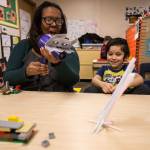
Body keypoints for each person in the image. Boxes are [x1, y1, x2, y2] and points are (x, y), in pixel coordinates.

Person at [4, 1, 80, 92]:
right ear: (38, 22)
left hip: (60, 101)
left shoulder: (68, 48)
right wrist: (26, 72)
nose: (54, 24)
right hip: (28, 101)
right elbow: (7, 78)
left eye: (58, 21)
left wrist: (58, 64)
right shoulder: (23, 46)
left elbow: (73, 80)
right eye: (48, 20)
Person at [84, 38, 150, 94]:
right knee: (89, 89)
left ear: (125, 57)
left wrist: (123, 85)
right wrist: (102, 84)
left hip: (123, 96)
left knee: (144, 88)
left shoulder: (127, 69)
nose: (113, 57)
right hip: (106, 96)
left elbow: (140, 79)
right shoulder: (104, 68)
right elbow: (94, 80)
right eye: (110, 54)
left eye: (118, 54)